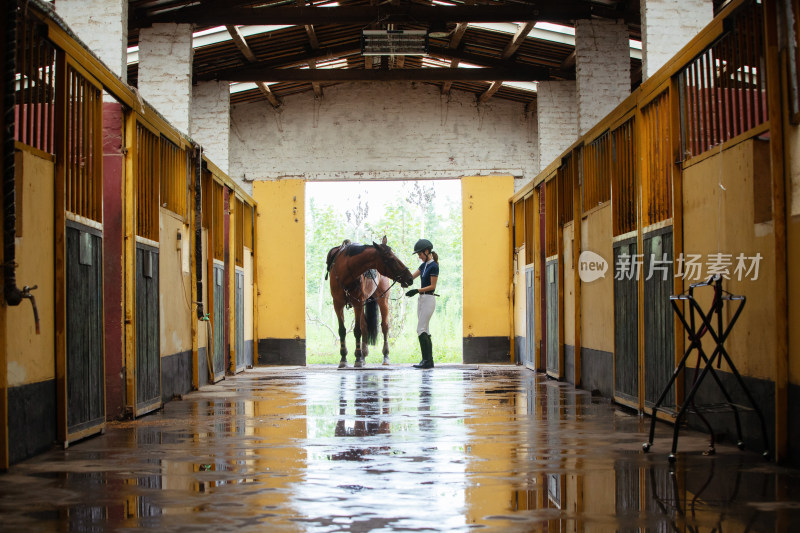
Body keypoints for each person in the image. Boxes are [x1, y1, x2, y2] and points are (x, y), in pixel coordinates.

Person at [405, 239, 439, 369]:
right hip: (421, 299)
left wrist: (417, 290)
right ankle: (428, 361)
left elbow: (432, 286)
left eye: (420, 254)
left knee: (420, 329)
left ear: (426, 251)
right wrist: (400, 278)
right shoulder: (423, 265)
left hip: (429, 299)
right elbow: (411, 277)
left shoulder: (433, 266)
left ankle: (426, 360)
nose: (419, 256)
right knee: (425, 329)